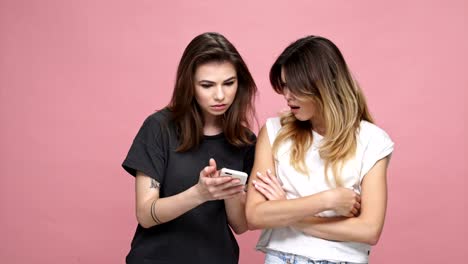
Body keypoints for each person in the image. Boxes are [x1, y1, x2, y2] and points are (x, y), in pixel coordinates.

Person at [245, 35, 394, 264]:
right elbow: (255, 215)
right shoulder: (274, 132)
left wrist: (285, 210)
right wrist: (327, 200)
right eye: (284, 86)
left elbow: (369, 230)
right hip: (281, 258)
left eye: (295, 87)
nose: (287, 96)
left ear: (324, 84)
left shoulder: (372, 140)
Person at [122, 32, 257, 264]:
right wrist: (199, 193)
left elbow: (240, 225)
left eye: (229, 83)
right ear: (190, 85)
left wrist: (230, 190)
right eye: (207, 85)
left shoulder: (245, 141)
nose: (220, 95)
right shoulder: (159, 128)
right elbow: (146, 214)